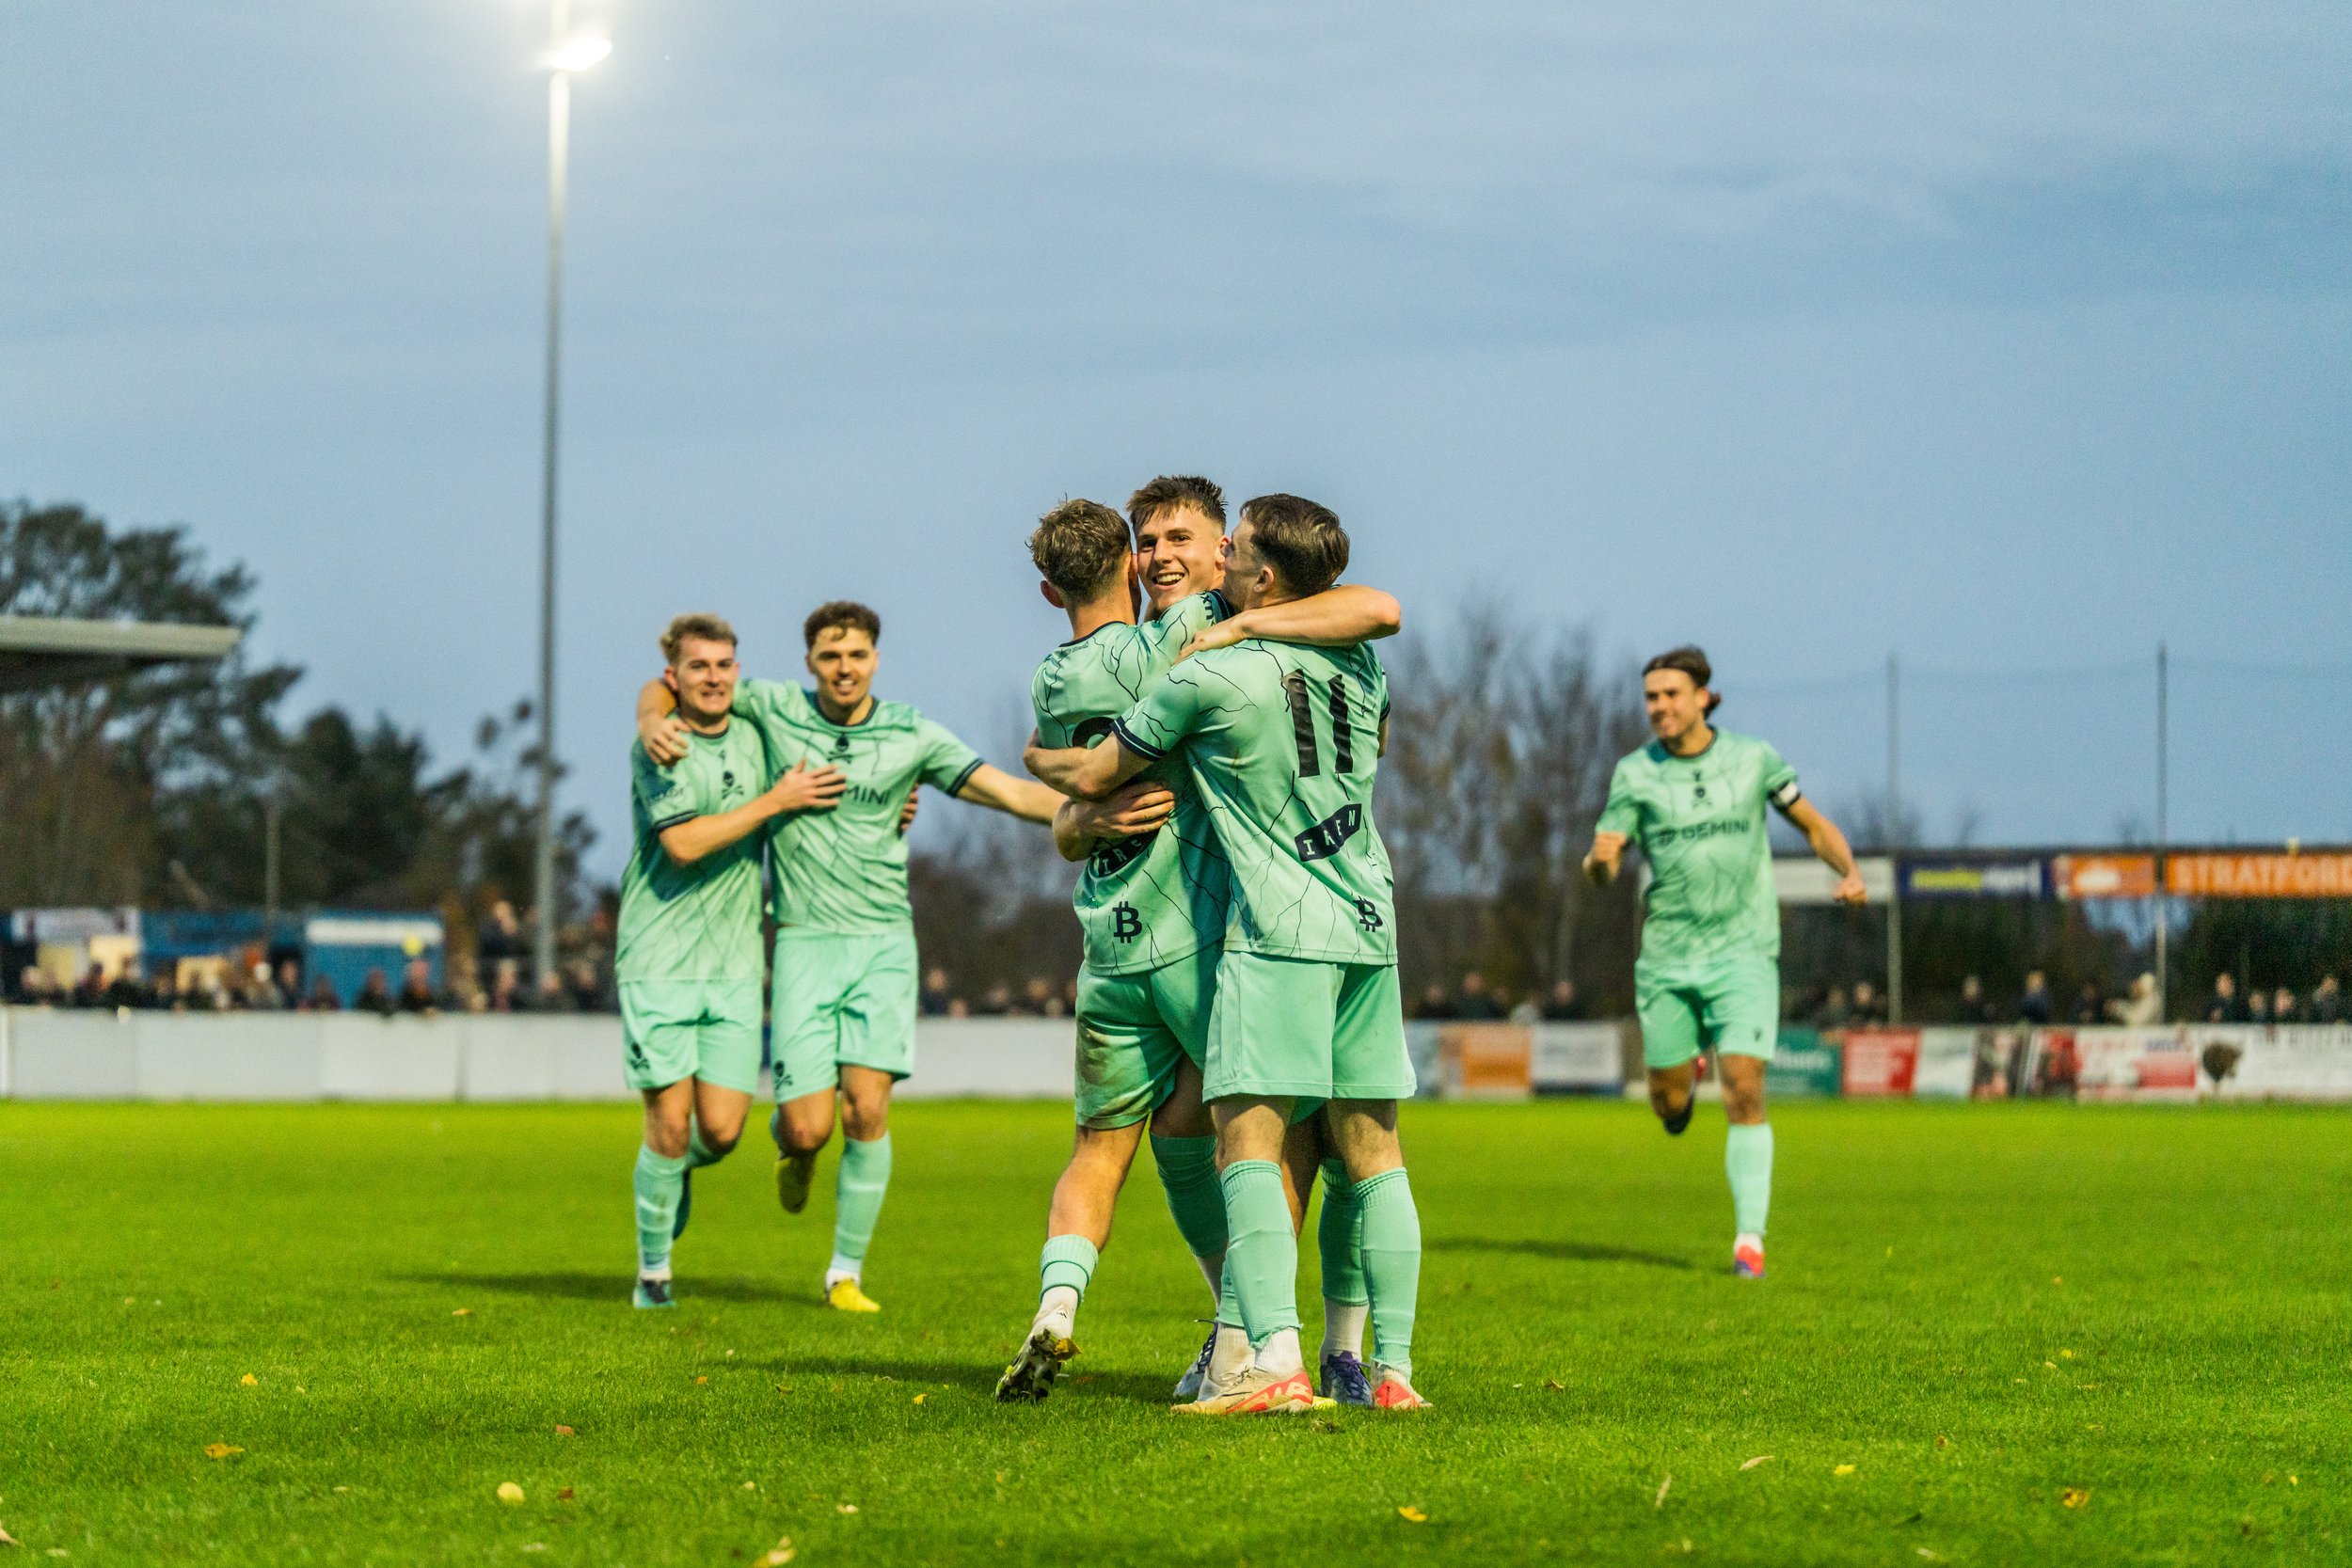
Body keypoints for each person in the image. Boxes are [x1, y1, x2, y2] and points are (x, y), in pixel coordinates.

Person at [1026, 493, 1427, 1415]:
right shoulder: (1360, 665)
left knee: (1251, 1141)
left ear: (1253, 571)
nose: (1205, 559)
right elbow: (1376, 624)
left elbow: (1092, 773)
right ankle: (1388, 1368)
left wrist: (1048, 766)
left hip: (1272, 933)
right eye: (1152, 541)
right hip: (1369, 920)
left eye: (1227, 546)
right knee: (1371, 1151)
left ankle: (1267, 1355)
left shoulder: (1206, 669)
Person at [637, 600, 1063, 1314]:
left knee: (868, 1109)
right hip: (803, 943)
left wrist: (1094, 811)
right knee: (808, 1125)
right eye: (830, 655)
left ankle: (844, 1275)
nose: (844, 667)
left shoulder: (909, 733)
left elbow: (1009, 791)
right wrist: (652, 719)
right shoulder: (773, 708)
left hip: (883, 946)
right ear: (808, 662)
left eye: (857, 654)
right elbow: (671, 685)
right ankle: (794, 1146)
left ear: (876, 659)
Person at [1583, 644, 1866, 1282]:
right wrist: (1599, 861)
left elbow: (1813, 824)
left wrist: (1848, 869)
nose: (1659, 706)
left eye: (1671, 694)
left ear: (1704, 698)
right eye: (1651, 697)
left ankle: (1749, 1242)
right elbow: (1603, 870)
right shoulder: (1635, 774)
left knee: (1744, 1087)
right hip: (1668, 958)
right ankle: (1684, 1078)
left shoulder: (1753, 759)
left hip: (1744, 951)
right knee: (1667, 1103)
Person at [615, 614, 846, 1309]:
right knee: (667, 1122)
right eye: (698, 666)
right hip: (657, 959)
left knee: (718, 1131)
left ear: (737, 672)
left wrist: (895, 804)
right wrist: (774, 801)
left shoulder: (756, 734)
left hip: (738, 963)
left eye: (724, 665)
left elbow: (827, 773)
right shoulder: (659, 743)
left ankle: (668, 1172)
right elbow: (684, 843)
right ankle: (654, 1275)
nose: (713, 678)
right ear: (673, 677)